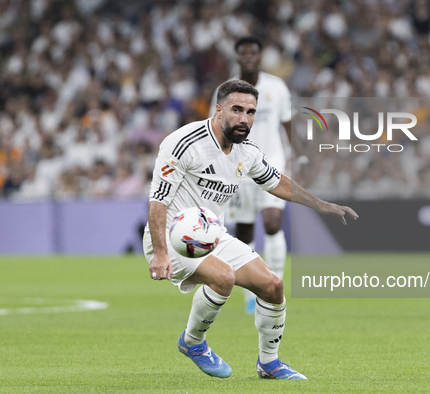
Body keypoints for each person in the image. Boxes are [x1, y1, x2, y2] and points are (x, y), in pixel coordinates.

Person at [144, 80, 358, 380]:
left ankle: (269, 364)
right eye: (236, 110)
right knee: (223, 278)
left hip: (212, 236)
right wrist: (161, 254)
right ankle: (192, 342)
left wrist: (321, 205)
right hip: (171, 237)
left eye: (251, 112)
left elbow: (276, 182)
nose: (244, 118)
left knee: (273, 286)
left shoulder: (247, 151)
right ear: (218, 111)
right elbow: (158, 201)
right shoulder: (183, 143)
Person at [210, 37, 292, 314]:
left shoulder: (276, 87)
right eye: (243, 52)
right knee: (244, 231)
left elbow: (287, 123)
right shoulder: (225, 90)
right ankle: (250, 295)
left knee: (272, 223)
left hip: (273, 163)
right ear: (237, 57)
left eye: (253, 52)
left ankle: (275, 284)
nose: (249, 56)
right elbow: (216, 127)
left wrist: (294, 156)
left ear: (260, 56)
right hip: (239, 166)